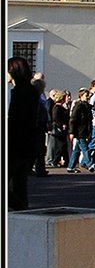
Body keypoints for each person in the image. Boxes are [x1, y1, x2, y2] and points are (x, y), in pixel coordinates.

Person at [8, 56, 38, 210]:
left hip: (16, 144)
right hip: (27, 144)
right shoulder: (31, 91)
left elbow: (16, 120)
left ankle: (20, 208)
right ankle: (22, 210)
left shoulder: (20, 92)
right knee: (20, 183)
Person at [67, 88, 94, 173]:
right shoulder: (78, 106)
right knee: (84, 148)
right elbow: (73, 119)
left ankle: (71, 166)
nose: (88, 97)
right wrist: (71, 132)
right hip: (79, 131)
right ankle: (90, 164)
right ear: (81, 96)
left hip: (84, 130)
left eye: (88, 96)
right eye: (86, 96)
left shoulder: (87, 107)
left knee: (77, 150)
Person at [31, 72, 49, 177]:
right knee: (38, 148)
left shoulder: (41, 97)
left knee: (39, 148)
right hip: (38, 126)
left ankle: (39, 168)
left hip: (40, 125)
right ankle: (39, 169)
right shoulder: (36, 98)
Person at [46, 89, 71, 168]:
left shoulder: (61, 107)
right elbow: (56, 118)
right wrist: (61, 125)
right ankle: (56, 160)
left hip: (61, 129)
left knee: (62, 146)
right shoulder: (57, 107)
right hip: (58, 129)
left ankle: (64, 161)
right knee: (60, 146)